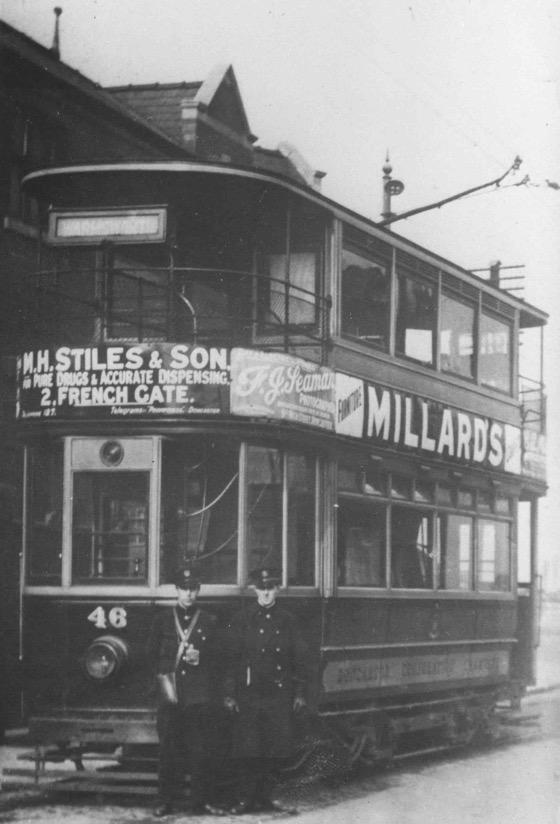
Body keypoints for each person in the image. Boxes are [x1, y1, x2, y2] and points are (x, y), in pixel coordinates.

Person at [223, 567, 308, 815]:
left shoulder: (288, 620)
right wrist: (229, 693)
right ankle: (245, 799)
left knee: (275, 748)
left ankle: (271, 797)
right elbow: (232, 659)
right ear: (255, 590)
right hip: (249, 692)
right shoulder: (243, 618)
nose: (266, 593)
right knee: (248, 748)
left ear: (277, 590)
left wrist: (299, 693)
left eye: (271, 588)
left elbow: (299, 659)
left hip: (278, 692)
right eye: (262, 588)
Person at [146, 566, 225, 817]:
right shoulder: (162, 620)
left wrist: (202, 657)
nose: (188, 594)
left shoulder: (210, 621)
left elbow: (220, 661)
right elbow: (151, 655)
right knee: (168, 749)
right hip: (170, 695)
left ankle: (199, 802)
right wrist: (157, 687)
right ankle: (164, 801)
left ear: (198, 590)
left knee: (199, 751)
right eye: (184, 589)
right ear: (177, 590)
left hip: (198, 697)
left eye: (192, 589)